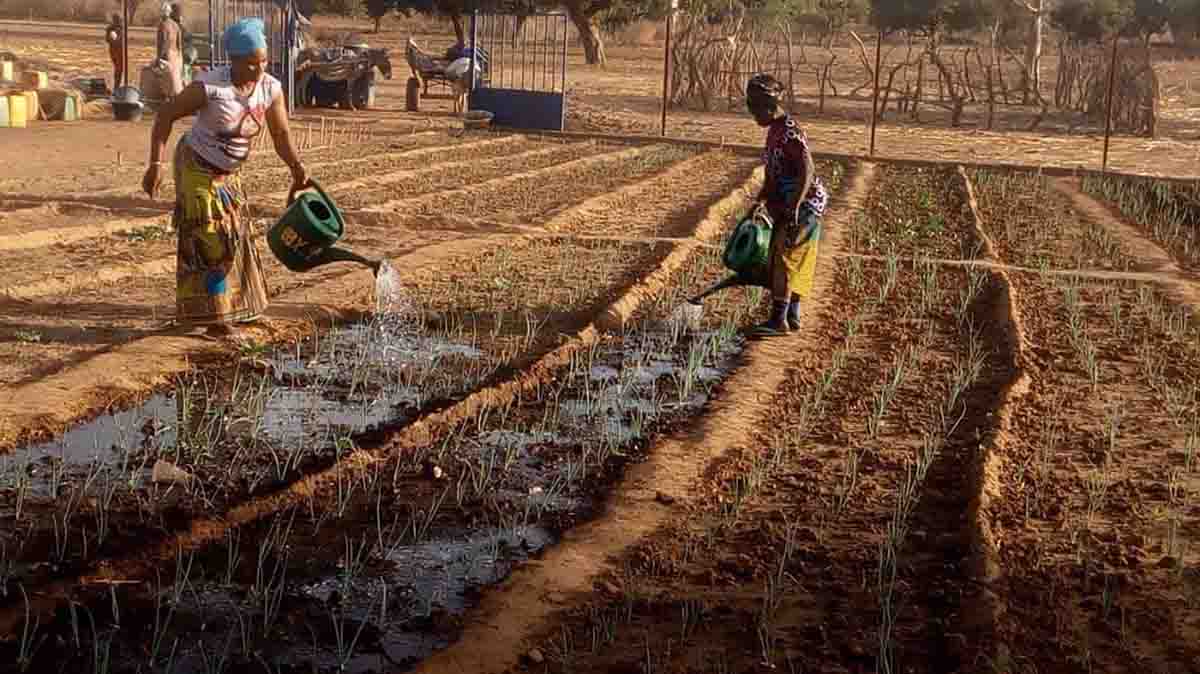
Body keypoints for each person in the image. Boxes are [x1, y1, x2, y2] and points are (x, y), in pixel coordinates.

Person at [142, 17, 310, 335]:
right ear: (232, 60)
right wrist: (156, 165)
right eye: (250, 64)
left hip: (228, 175)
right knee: (210, 241)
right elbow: (165, 115)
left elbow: (281, 133)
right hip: (195, 167)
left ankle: (243, 309)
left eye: (263, 61)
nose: (259, 69)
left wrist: (297, 168)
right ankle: (213, 319)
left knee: (236, 237)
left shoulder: (271, 88)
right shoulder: (211, 86)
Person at [745, 73, 828, 336]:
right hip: (788, 201)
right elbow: (772, 174)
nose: (753, 115)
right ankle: (791, 315)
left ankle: (778, 321)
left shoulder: (790, 130)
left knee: (784, 257)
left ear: (768, 107)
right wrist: (759, 203)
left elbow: (808, 170)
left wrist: (794, 206)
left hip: (804, 203)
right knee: (790, 256)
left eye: (754, 109)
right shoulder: (774, 131)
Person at [156, 2, 184, 99]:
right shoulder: (176, 26)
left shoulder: (163, 25)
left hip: (167, 55)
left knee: (166, 82)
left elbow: (162, 42)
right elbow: (179, 45)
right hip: (176, 56)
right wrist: (179, 58)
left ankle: (167, 100)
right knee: (175, 80)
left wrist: (159, 57)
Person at [105, 13, 124, 91]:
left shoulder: (111, 29)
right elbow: (112, 40)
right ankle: (116, 88)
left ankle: (116, 87)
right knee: (119, 70)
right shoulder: (114, 29)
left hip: (114, 51)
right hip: (117, 51)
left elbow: (107, 40)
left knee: (118, 70)